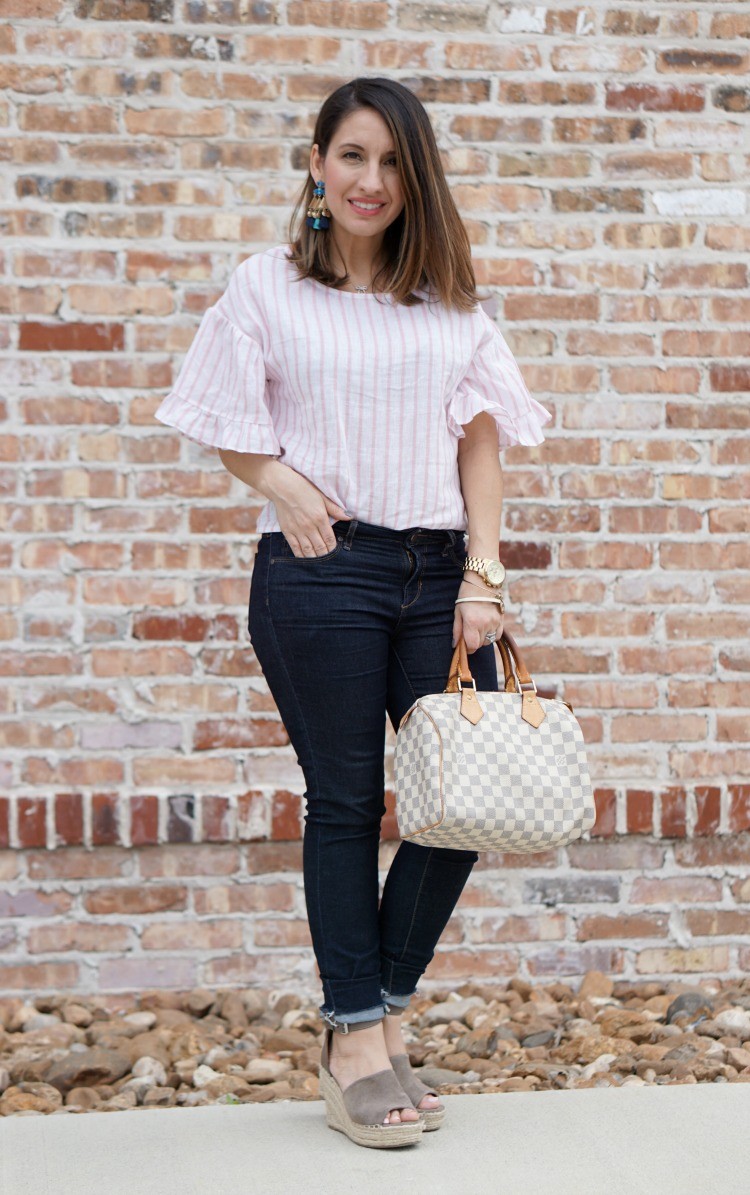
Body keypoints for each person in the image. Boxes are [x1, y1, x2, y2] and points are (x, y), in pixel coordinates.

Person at [154, 76, 552, 1149]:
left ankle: (368, 1010)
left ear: (414, 178)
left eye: (392, 162)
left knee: (458, 803)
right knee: (345, 800)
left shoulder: (451, 303)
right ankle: (362, 1040)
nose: (371, 180)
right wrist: (278, 483)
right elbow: (215, 412)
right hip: (323, 570)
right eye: (352, 157)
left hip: (437, 574)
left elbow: (480, 440)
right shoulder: (266, 286)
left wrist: (486, 574)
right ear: (317, 166)